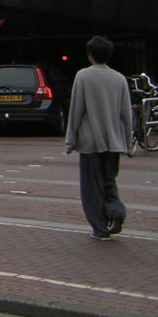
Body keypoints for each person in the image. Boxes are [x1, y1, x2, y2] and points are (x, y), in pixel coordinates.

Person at [64, 36, 133, 240]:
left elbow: (76, 109)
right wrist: (127, 143)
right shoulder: (119, 79)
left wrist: (71, 139)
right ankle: (116, 212)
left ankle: (100, 228)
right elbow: (126, 114)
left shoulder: (83, 77)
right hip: (114, 141)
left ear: (90, 55)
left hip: (90, 142)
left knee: (92, 187)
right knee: (109, 180)